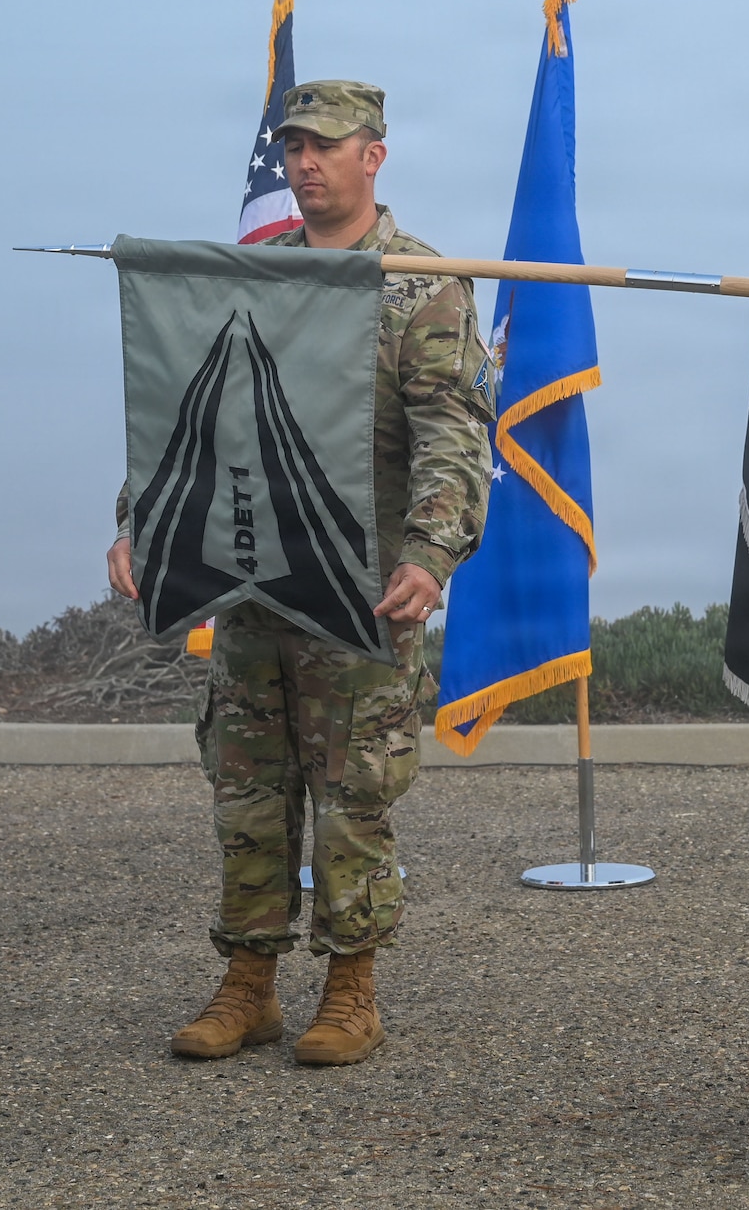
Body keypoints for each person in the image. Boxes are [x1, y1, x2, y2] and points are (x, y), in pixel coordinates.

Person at [106, 80, 495, 1065]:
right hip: (250, 574)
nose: (304, 162)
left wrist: (431, 549)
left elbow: (451, 429)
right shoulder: (252, 273)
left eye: (326, 144)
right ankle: (247, 982)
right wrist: (140, 523)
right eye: (293, 145)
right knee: (245, 784)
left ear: (375, 154)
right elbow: (193, 412)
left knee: (353, 788)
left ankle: (350, 988)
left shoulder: (422, 280)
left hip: (359, 585)